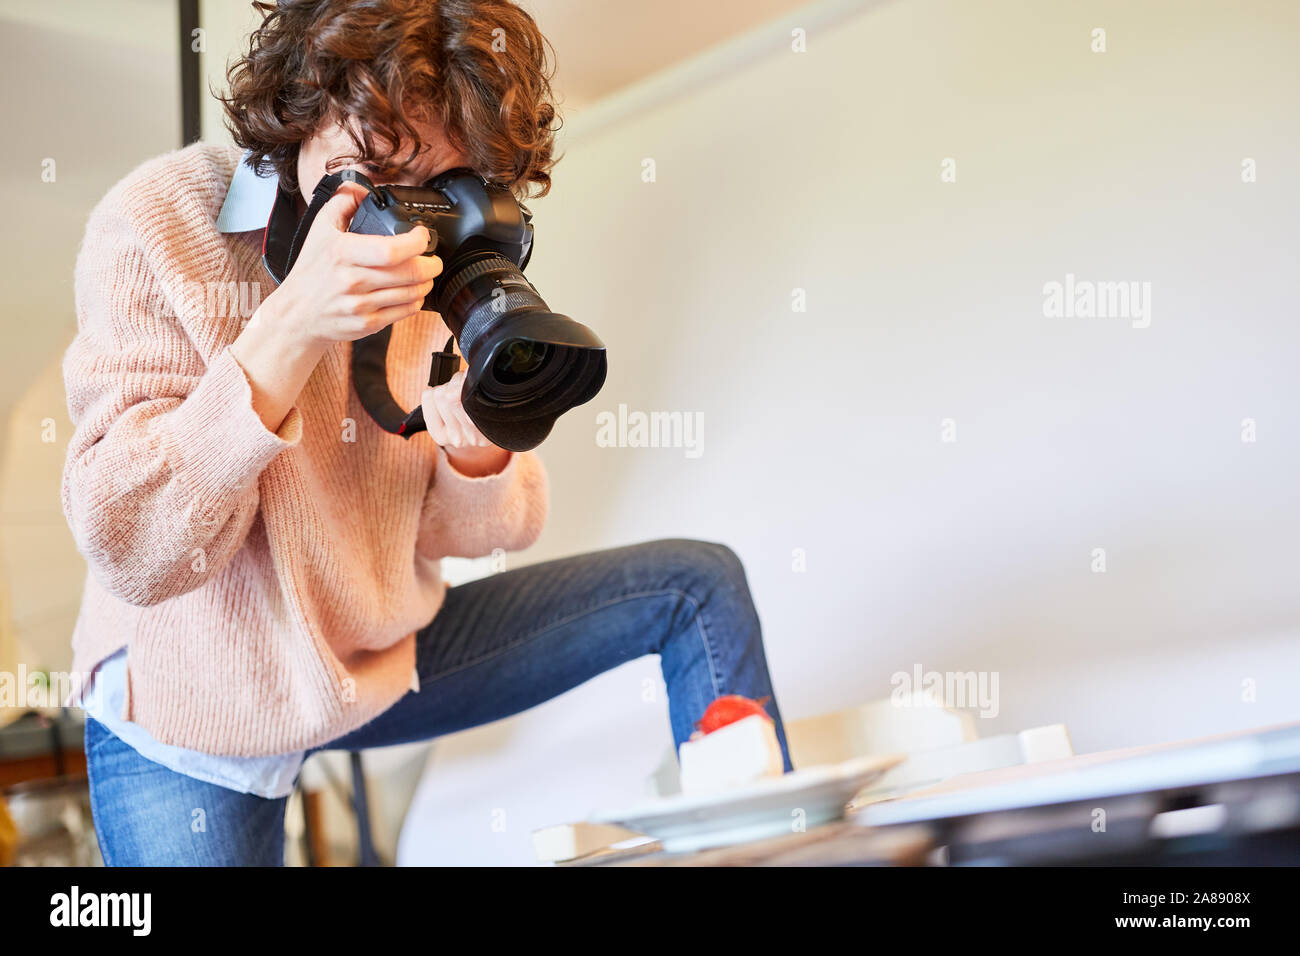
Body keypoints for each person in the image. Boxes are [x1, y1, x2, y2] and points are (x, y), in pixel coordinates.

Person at [63, 0, 792, 866]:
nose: (401, 217)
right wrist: (293, 325)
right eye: (368, 172)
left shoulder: (439, 252)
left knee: (693, 586)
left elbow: (479, 532)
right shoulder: (162, 220)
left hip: (369, 644)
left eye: (439, 187)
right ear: (297, 116)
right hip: (199, 689)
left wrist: (476, 446)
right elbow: (131, 544)